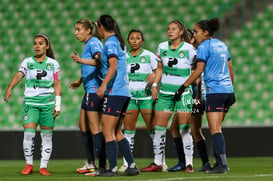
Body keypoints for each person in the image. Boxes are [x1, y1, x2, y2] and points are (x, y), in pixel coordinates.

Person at [174, 18, 235, 174]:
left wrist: (183, 87)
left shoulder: (203, 47)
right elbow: (230, 68)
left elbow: (199, 70)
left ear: (205, 32)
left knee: (215, 130)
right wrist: (230, 88)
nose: (194, 34)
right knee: (216, 129)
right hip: (228, 92)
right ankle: (218, 163)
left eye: (196, 31)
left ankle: (222, 165)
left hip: (214, 92)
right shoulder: (222, 45)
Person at [140, 20, 196, 172]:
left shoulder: (189, 49)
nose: (170, 31)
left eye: (173, 29)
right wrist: (154, 85)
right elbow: (159, 68)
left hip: (183, 94)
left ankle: (189, 163)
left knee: (184, 128)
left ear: (181, 32)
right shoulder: (162, 47)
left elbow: (197, 70)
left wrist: (191, 87)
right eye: (168, 29)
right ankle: (158, 163)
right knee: (159, 128)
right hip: (165, 94)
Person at [4, 33, 61, 175]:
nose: (37, 46)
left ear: (47, 46)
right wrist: (10, 88)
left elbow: (57, 84)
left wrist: (58, 104)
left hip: (48, 104)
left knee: (46, 136)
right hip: (31, 103)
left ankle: (43, 167)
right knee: (29, 134)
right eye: (35, 43)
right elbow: (18, 75)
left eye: (41, 43)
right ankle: (28, 165)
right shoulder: (27, 62)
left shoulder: (53, 64)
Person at [95, 14, 138, 176]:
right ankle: (132, 165)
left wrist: (103, 85)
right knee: (117, 132)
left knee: (107, 131)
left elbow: (113, 66)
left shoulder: (110, 43)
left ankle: (112, 168)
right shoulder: (119, 43)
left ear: (101, 27)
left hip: (115, 92)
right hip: (124, 92)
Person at [167, 29, 211, 172]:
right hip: (185, 96)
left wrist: (198, 99)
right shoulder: (184, 54)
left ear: (192, 40)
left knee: (194, 130)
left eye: (188, 37)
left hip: (193, 97)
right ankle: (184, 162)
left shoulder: (195, 54)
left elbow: (198, 78)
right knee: (175, 128)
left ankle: (203, 163)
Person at [69, 19, 106, 174]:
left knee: (94, 128)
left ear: (88, 31)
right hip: (88, 88)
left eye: (78, 29)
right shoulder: (88, 44)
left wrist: (80, 60)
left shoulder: (94, 42)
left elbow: (100, 61)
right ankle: (91, 162)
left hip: (95, 90)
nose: (76, 33)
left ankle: (102, 166)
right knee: (83, 127)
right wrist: (81, 80)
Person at [118, 29, 157, 172]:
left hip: (146, 97)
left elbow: (159, 70)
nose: (134, 40)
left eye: (137, 38)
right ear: (128, 41)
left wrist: (153, 75)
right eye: (132, 38)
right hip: (130, 98)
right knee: (128, 131)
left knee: (152, 130)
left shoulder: (149, 56)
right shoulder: (124, 57)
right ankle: (127, 162)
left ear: (142, 40)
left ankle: (159, 161)